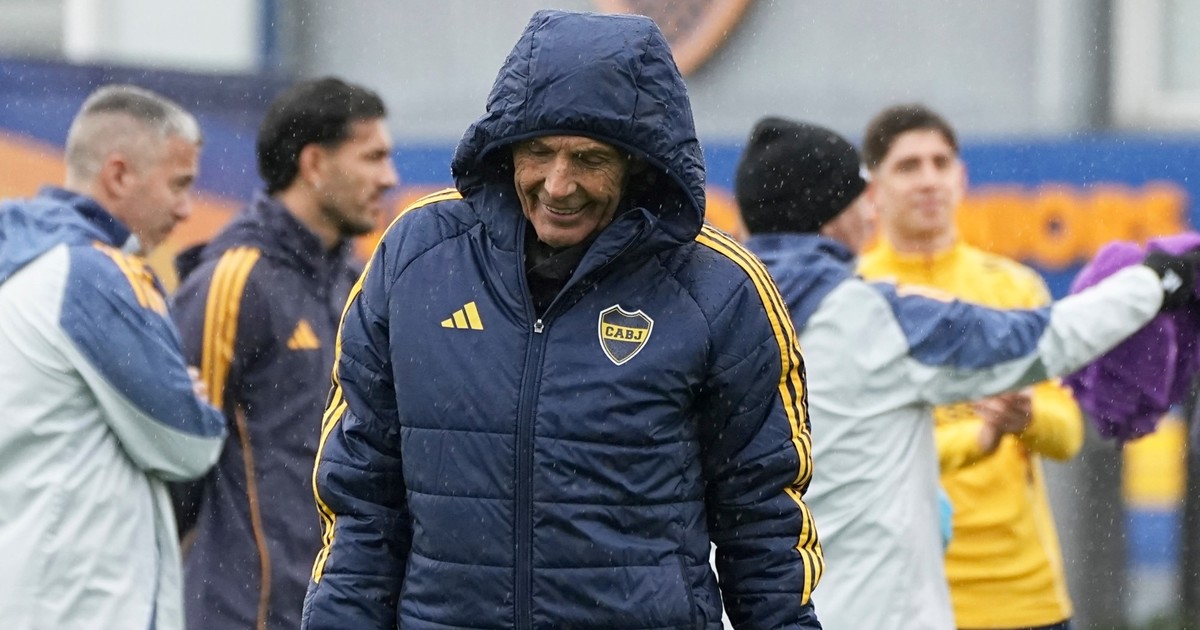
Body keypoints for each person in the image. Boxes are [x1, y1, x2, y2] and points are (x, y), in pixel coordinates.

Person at [301, 10, 823, 630]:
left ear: (640, 162)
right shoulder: (416, 259)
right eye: (539, 151)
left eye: (589, 158)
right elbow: (361, 500)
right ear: (506, 148)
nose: (557, 184)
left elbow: (763, 523)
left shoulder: (719, 289)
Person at [735, 116, 1197, 630]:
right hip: (877, 611)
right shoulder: (871, 314)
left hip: (769, 607)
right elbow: (1048, 340)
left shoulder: (715, 310)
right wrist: (1155, 282)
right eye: (860, 194)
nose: (869, 210)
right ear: (832, 213)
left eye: (940, 163)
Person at [171, 76, 397, 630]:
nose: (389, 178)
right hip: (241, 615)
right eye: (372, 157)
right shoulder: (234, 280)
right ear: (314, 163)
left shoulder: (360, 285)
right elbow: (175, 458)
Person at [0, 84, 225, 629]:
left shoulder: (27, 262)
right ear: (119, 175)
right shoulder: (95, 274)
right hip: (84, 606)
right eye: (178, 184)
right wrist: (190, 400)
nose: (186, 208)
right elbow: (189, 442)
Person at [856, 103, 1082, 630]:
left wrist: (1026, 417)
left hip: (1021, 596)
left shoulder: (1014, 288)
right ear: (873, 192)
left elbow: (1068, 435)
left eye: (941, 163)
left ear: (962, 179)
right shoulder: (854, 296)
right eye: (908, 166)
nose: (928, 179)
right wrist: (977, 438)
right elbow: (860, 450)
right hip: (900, 596)